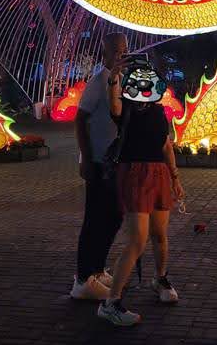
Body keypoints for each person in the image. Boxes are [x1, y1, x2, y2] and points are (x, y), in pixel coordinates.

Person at [97, 54, 186, 327]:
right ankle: (110, 303)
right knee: (137, 240)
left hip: (158, 173)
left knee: (160, 234)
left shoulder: (160, 112)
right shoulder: (125, 110)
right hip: (134, 173)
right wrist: (113, 76)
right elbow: (113, 104)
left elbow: (166, 145)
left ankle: (160, 279)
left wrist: (175, 178)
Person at [71, 32, 128, 300]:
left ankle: (97, 268)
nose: (121, 54)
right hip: (98, 162)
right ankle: (83, 279)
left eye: (124, 50)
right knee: (95, 219)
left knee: (114, 216)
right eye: (116, 50)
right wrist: (86, 158)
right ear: (104, 53)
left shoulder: (118, 80)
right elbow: (80, 121)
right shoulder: (98, 82)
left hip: (114, 162)